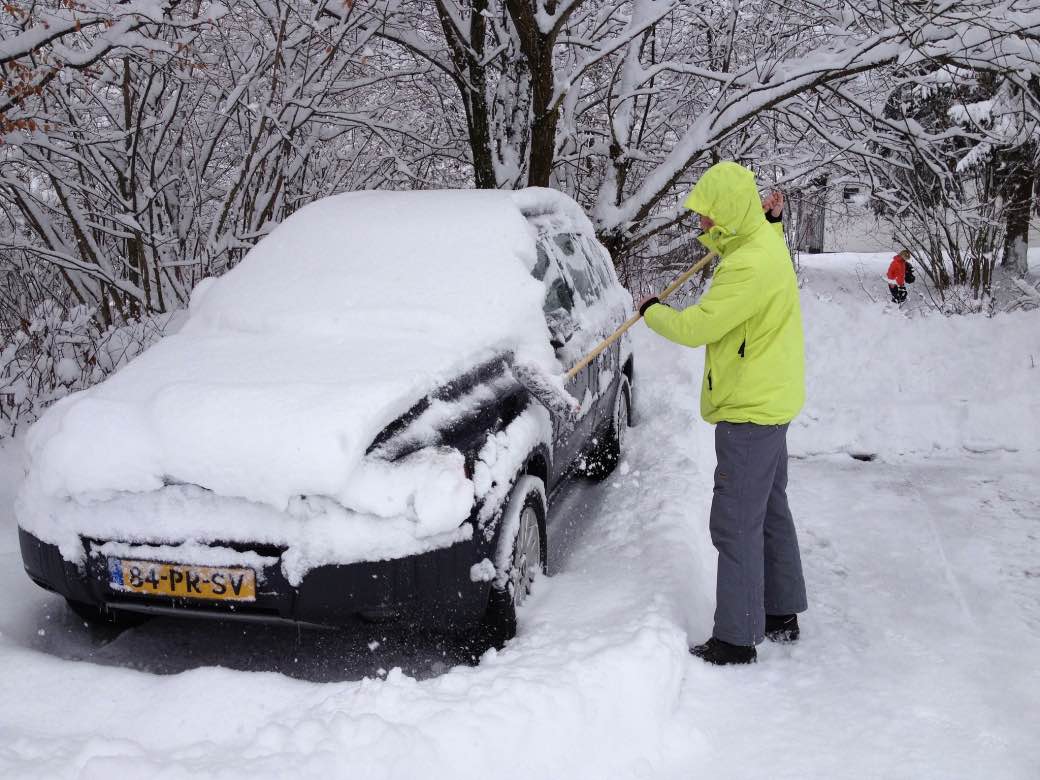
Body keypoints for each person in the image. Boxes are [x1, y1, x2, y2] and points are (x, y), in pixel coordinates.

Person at [637, 161, 808, 666]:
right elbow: (749, 243)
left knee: (734, 523)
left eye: (709, 217)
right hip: (770, 401)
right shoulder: (763, 243)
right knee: (769, 511)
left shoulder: (747, 265)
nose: (702, 226)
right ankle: (780, 611)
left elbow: (698, 328)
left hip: (750, 411)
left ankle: (736, 638)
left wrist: (652, 312)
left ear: (731, 214)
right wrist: (769, 222)